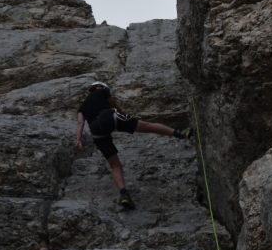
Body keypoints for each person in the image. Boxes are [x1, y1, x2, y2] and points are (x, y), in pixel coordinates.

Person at [75, 80, 192, 208]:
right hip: (109, 116)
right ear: (101, 87)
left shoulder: (82, 106)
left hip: (96, 129)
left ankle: (124, 194)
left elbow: (80, 123)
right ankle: (180, 134)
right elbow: (114, 105)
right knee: (148, 126)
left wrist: (79, 140)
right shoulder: (103, 91)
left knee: (114, 165)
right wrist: (125, 116)